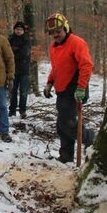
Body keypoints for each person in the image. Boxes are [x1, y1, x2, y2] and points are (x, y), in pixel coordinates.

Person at [43, 12, 94, 162]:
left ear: (65, 28)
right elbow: (56, 68)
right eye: (53, 33)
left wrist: (81, 88)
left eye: (58, 32)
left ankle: (91, 138)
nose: (56, 35)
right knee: (62, 125)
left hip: (75, 89)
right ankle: (66, 156)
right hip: (62, 89)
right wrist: (49, 82)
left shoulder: (76, 42)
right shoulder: (53, 47)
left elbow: (86, 65)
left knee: (67, 123)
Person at [8, 21, 31, 119]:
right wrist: (16, 51)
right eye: (17, 29)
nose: (18, 31)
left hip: (24, 70)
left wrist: (15, 51)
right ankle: (12, 111)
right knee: (12, 91)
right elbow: (7, 53)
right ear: (14, 30)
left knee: (23, 92)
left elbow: (24, 53)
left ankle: (22, 110)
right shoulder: (10, 39)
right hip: (12, 69)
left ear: (23, 31)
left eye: (21, 30)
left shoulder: (26, 39)